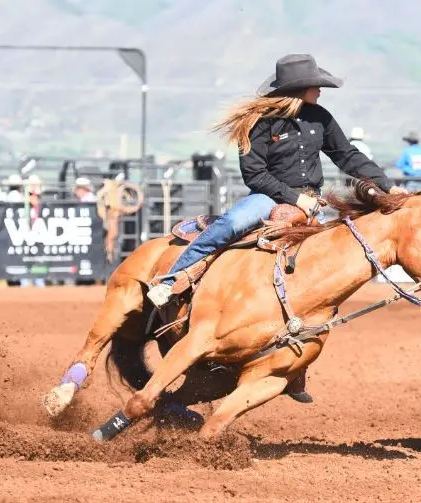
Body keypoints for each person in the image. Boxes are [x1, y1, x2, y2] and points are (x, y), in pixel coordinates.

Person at [146, 53, 407, 403]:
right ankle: (171, 280)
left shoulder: (321, 120)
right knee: (232, 224)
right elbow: (255, 174)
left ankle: (295, 364)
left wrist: (384, 186)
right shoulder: (260, 122)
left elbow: (347, 156)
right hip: (269, 196)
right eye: (316, 86)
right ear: (300, 89)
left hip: (312, 200)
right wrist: (293, 199)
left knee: (322, 273)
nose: (320, 91)